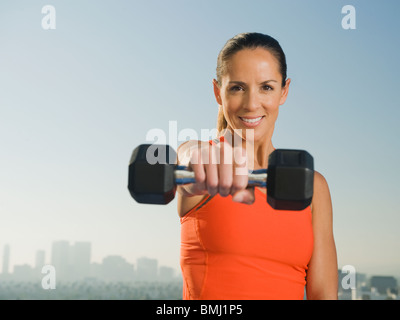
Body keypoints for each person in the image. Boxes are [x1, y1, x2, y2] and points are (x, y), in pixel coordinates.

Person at [176, 32, 338, 300]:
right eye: (237, 88)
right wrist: (193, 157)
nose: (252, 104)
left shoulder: (313, 185)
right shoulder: (203, 167)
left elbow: (324, 295)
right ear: (218, 92)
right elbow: (187, 155)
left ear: (283, 91)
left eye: (266, 87)